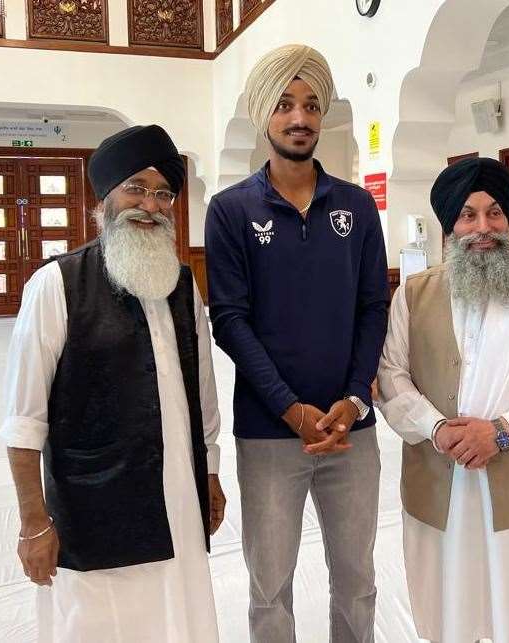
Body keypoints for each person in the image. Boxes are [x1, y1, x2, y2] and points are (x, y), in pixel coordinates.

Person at [0, 124, 225, 642]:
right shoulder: (55, 285)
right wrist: (34, 523)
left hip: (178, 500)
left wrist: (209, 472)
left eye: (162, 192)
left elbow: (202, 394)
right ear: (105, 198)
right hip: (92, 506)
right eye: (135, 188)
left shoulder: (181, 283)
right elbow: (22, 422)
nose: (149, 203)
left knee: (178, 619)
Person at [205, 44, 389, 643]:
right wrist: (289, 407)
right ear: (265, 114)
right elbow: (230, 320)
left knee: (358, 580)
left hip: (350, 433)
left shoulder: (358, 207)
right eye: (284, 103)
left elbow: (372, 307)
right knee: (269, 588)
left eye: (311, 104)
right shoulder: (230, 211)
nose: (300, 117)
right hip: (268, 433)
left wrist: (356, 397)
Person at [377, 157, 509, 643]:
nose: (483, 228)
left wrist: (502, 429)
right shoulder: (414, 293)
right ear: (449, 225)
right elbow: (391, 375)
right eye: (468, 215)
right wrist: (436, 428)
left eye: (494, 213)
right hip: (440, 476)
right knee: (449, 609)